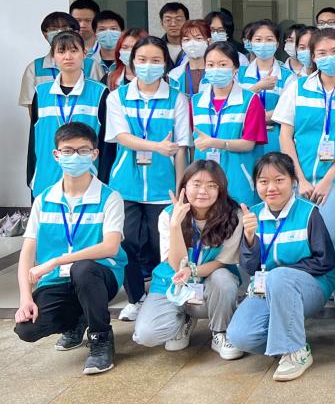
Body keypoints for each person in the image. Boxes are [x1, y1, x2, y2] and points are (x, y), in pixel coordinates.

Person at [14, 122, 127, 375]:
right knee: (27, 329)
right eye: (68, 151)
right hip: (58, 281)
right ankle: (79, 319)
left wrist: (57, 260)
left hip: (99, 276)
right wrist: (25, 299)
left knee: (83, 269)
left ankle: (101, 339)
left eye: (83, 150)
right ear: (56, 155)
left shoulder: (110, 197)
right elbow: (27, 253)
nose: (75, 156)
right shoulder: (44, 200)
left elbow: (110, 247)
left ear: (94, 154)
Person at [227, 153, 335, 382]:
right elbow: (250, 267)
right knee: (240, 336)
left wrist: (280, 276)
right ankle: (290, 337)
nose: (271, 188)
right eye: (263, 181)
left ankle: (296, 351)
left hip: (311, 287)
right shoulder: (252, 215)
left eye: (279, 180)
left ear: (293, 181)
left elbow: (325, 260)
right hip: (266, 289)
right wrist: (249, 238)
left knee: (279, 277)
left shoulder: (309, 212)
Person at [104, 36, 191, 321]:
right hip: (125, 185)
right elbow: (122, 137)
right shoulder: (117, 97)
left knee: (160, 244)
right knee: (126, 242)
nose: (148, 65)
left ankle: (162, 296)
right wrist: (156, 147)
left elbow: (181, 148)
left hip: (162, 186)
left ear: (165, 64)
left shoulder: (177, 98)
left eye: (155, 60)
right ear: (132, 63)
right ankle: (135, 298)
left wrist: (180, 189)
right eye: (142, 60)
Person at [132, 160, 244, 359]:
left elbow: (223, 261)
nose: (203, 191)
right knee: (146, 334)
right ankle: (183, 319)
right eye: (196, 184)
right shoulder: (168, 214)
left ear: (221, 189)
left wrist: (193, 271)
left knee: (223, 279)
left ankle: (220, 332)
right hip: (173, 281)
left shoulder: (233, 215)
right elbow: (176, 265)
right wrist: (175, 226)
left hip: (211, 281)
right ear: (184, 186)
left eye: (211, 185)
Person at [274, 28, 335, 274]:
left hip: (334, 178)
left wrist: (328, 180)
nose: (329, 57)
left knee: (334, 235)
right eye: (322, 53)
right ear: (313, 57)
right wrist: (299, 179)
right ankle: (303, 286)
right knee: (299, 237)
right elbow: (285, 136)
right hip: (297, 176)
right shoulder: (297, 87)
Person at [27, 30, 110, 197]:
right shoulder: (41, 92)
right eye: (61, 51)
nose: (68, 56)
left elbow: (106, 144)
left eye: (74, 50)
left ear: (84, 54)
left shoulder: (100, 92)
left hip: (88, 178)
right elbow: (33, 138)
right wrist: (31, 177)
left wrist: (104, 179)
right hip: (46, 179)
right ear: (53, 56)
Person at [192, 42, 267, 206]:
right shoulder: (195, 101)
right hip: (204, 183)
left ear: (235, 68)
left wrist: (215, 143)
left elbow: (249, 144)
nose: (216, 69)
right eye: (210, 65)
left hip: (239, 182)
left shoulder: (250, 100)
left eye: (222, 64)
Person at [19, 12, 102, 107]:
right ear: (45, 34)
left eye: (65, 28)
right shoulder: (34, 68)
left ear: (76, 32)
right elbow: (32, 107)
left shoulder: (92, 66)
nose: (60, 32)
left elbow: (100, 99)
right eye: (53, 29)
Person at [238, 19, 293, 156]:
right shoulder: (239, 74)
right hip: (244, 137)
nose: (263, 44)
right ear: (250, 43)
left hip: (275, 138)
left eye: (269, 39)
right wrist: (257, 87)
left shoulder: (288, 76)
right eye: (258, 39)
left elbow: (288, 110)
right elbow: (233, 106)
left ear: (277, 44)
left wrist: (254, 118)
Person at [167, 18, 211, 107]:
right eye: (186, 40)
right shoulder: (173, 76)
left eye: (198, 38)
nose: (192, 43)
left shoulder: (218, 72)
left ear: (209, 41)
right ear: (181, 44)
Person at [91, 9, 125, 78]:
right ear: (95, 34)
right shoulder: (87, 61)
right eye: (102, 29)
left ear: (122, 33)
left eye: (113, 29)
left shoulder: (128, 61)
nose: (108, 33)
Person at [159, 2, 190, 68]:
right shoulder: (157, 46)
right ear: (161, 23)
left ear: (187, 22)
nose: (173, 24)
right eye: (168, 20)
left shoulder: (194, 46)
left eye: (178, 20)